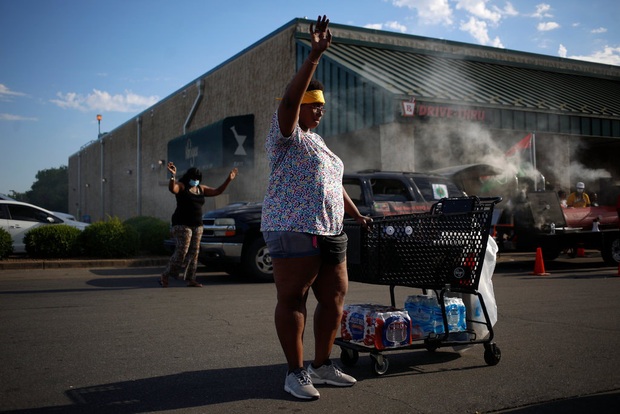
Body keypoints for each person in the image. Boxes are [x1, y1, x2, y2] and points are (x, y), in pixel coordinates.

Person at [261, 15, 372, 400]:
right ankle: (295, 373)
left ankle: (323, 365)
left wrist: (356, 214)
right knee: (293, 298)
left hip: (330, 228)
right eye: (314, 104)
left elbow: (332, 183)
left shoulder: (318, 141)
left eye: (322, 105)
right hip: (293, 226)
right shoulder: (285, 134)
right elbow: (291, 98)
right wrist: (314, 55)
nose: (320, 110)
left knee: (335, 296)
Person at [160, 162, 238, 287]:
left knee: (195, 252)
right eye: (193, 178)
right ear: (188, 177)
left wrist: (228, 179)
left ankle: (191, 279)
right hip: (182, 224)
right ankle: (166, 274)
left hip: (197, 225)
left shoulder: (201, 188)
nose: (195, 181)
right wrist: (173, 176)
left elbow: (217, 191)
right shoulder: (182, 186)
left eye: (197, 179)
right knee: (183, 249)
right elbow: (172, 189)